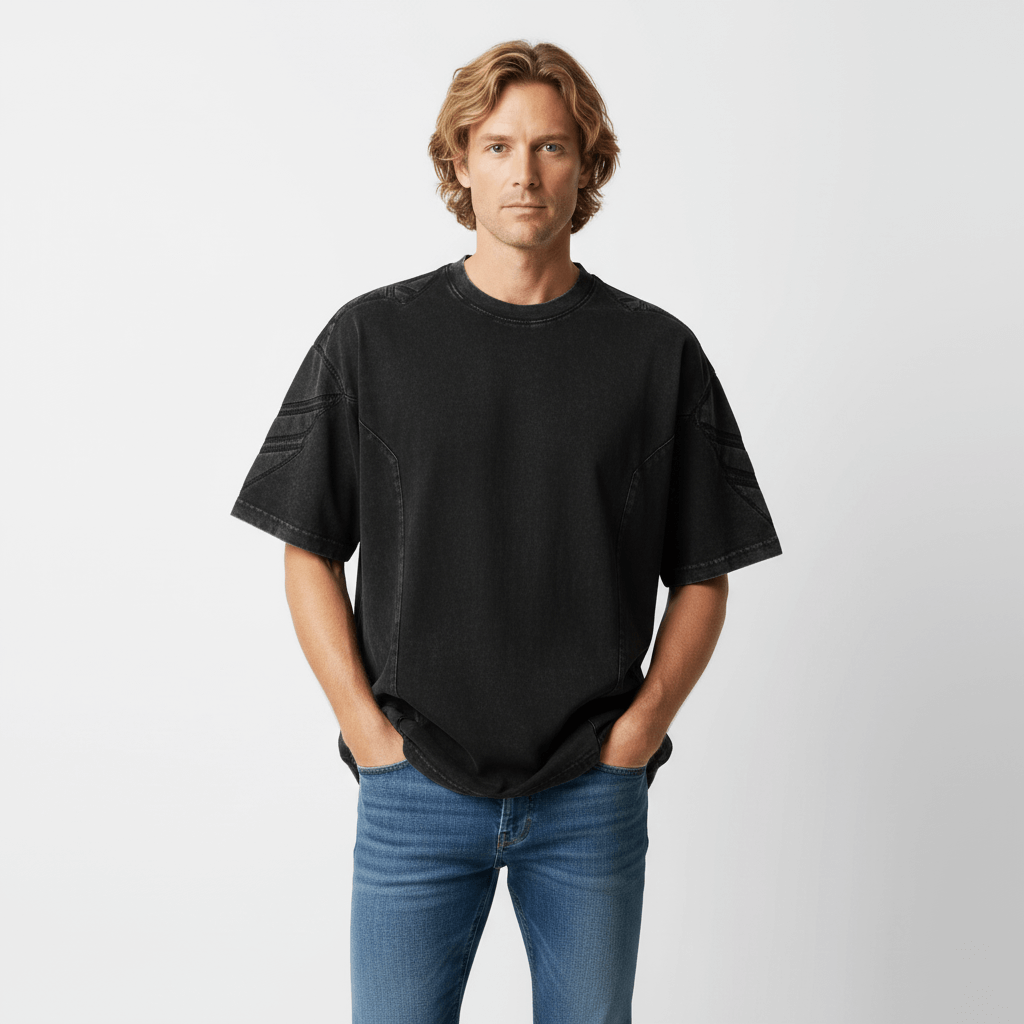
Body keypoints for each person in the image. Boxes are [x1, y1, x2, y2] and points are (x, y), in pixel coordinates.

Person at [230, 38, 781, 1024]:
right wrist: (364, 729)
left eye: (551, 146)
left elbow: (705, 568)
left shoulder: (656, 354)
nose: (524, 172)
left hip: (589, 793)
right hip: (412, 785)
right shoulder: (371, 339)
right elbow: (306, 543)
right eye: (496, 146)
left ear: (588, 165)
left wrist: (640, 731)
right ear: (459, 161)